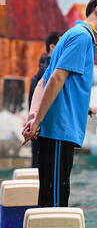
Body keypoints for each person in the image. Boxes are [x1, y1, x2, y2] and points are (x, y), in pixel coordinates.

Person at [22, 0, 97, 207]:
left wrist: (33, 117)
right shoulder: (82, 36)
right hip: (59, 130)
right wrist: (37, 120)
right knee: (55, 202)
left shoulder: (71, 36)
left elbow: (42, 83)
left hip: (55, 130)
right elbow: (56, 78)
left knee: (50, 197)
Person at [28, 31, 62, 168]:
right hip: (45, 130)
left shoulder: (41, 70)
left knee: (40, 168)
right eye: (61, 43)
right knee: (45, 171)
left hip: (39, 128)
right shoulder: (48, 71)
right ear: (52, 47)